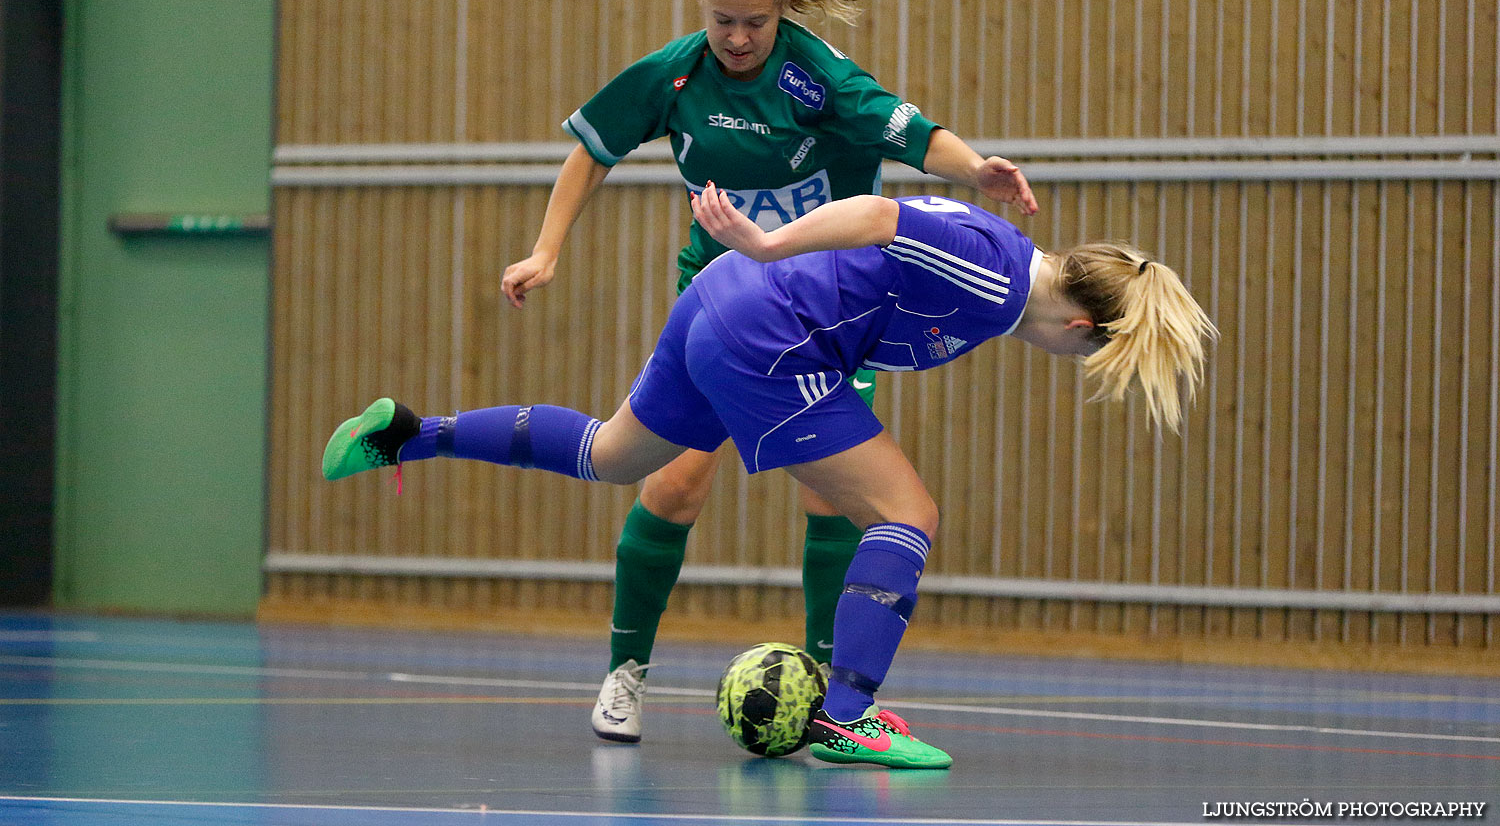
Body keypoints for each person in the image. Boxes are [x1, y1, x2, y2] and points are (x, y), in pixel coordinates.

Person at [322, 189, 1218, 769]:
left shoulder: (1001, 265)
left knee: (610, 453)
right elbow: (878, 217)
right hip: (769, 327)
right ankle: (850, 713)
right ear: (1083, 325)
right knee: (907, 512)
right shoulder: (995, 278)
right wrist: (769, 239)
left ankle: (412, 433)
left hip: (723, 304)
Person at [495, 0, 1039, 743]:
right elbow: (592, 151)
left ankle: (826, 694)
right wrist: (545, 248)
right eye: (723, 21)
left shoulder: (817, 79)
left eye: (756, 21)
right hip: (724, 306)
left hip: (830, 320)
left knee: (832, 491)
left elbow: (914, 133)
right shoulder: (673, 77)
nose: (739, 37)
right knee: (673, 483)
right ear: (701, 7)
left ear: (784, 8)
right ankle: (624, 671)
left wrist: (978, 170)